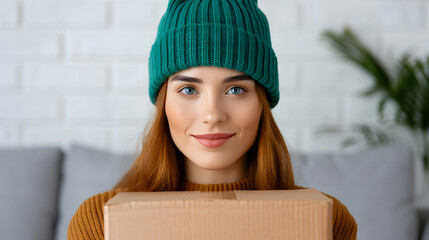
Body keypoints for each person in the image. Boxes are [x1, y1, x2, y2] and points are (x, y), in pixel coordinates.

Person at [67, 0, 358, 239]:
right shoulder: (97, 224)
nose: (212, 115)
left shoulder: (328, 222)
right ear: (164, 103)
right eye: (189, 89)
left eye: (235, 89)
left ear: (262, 103)